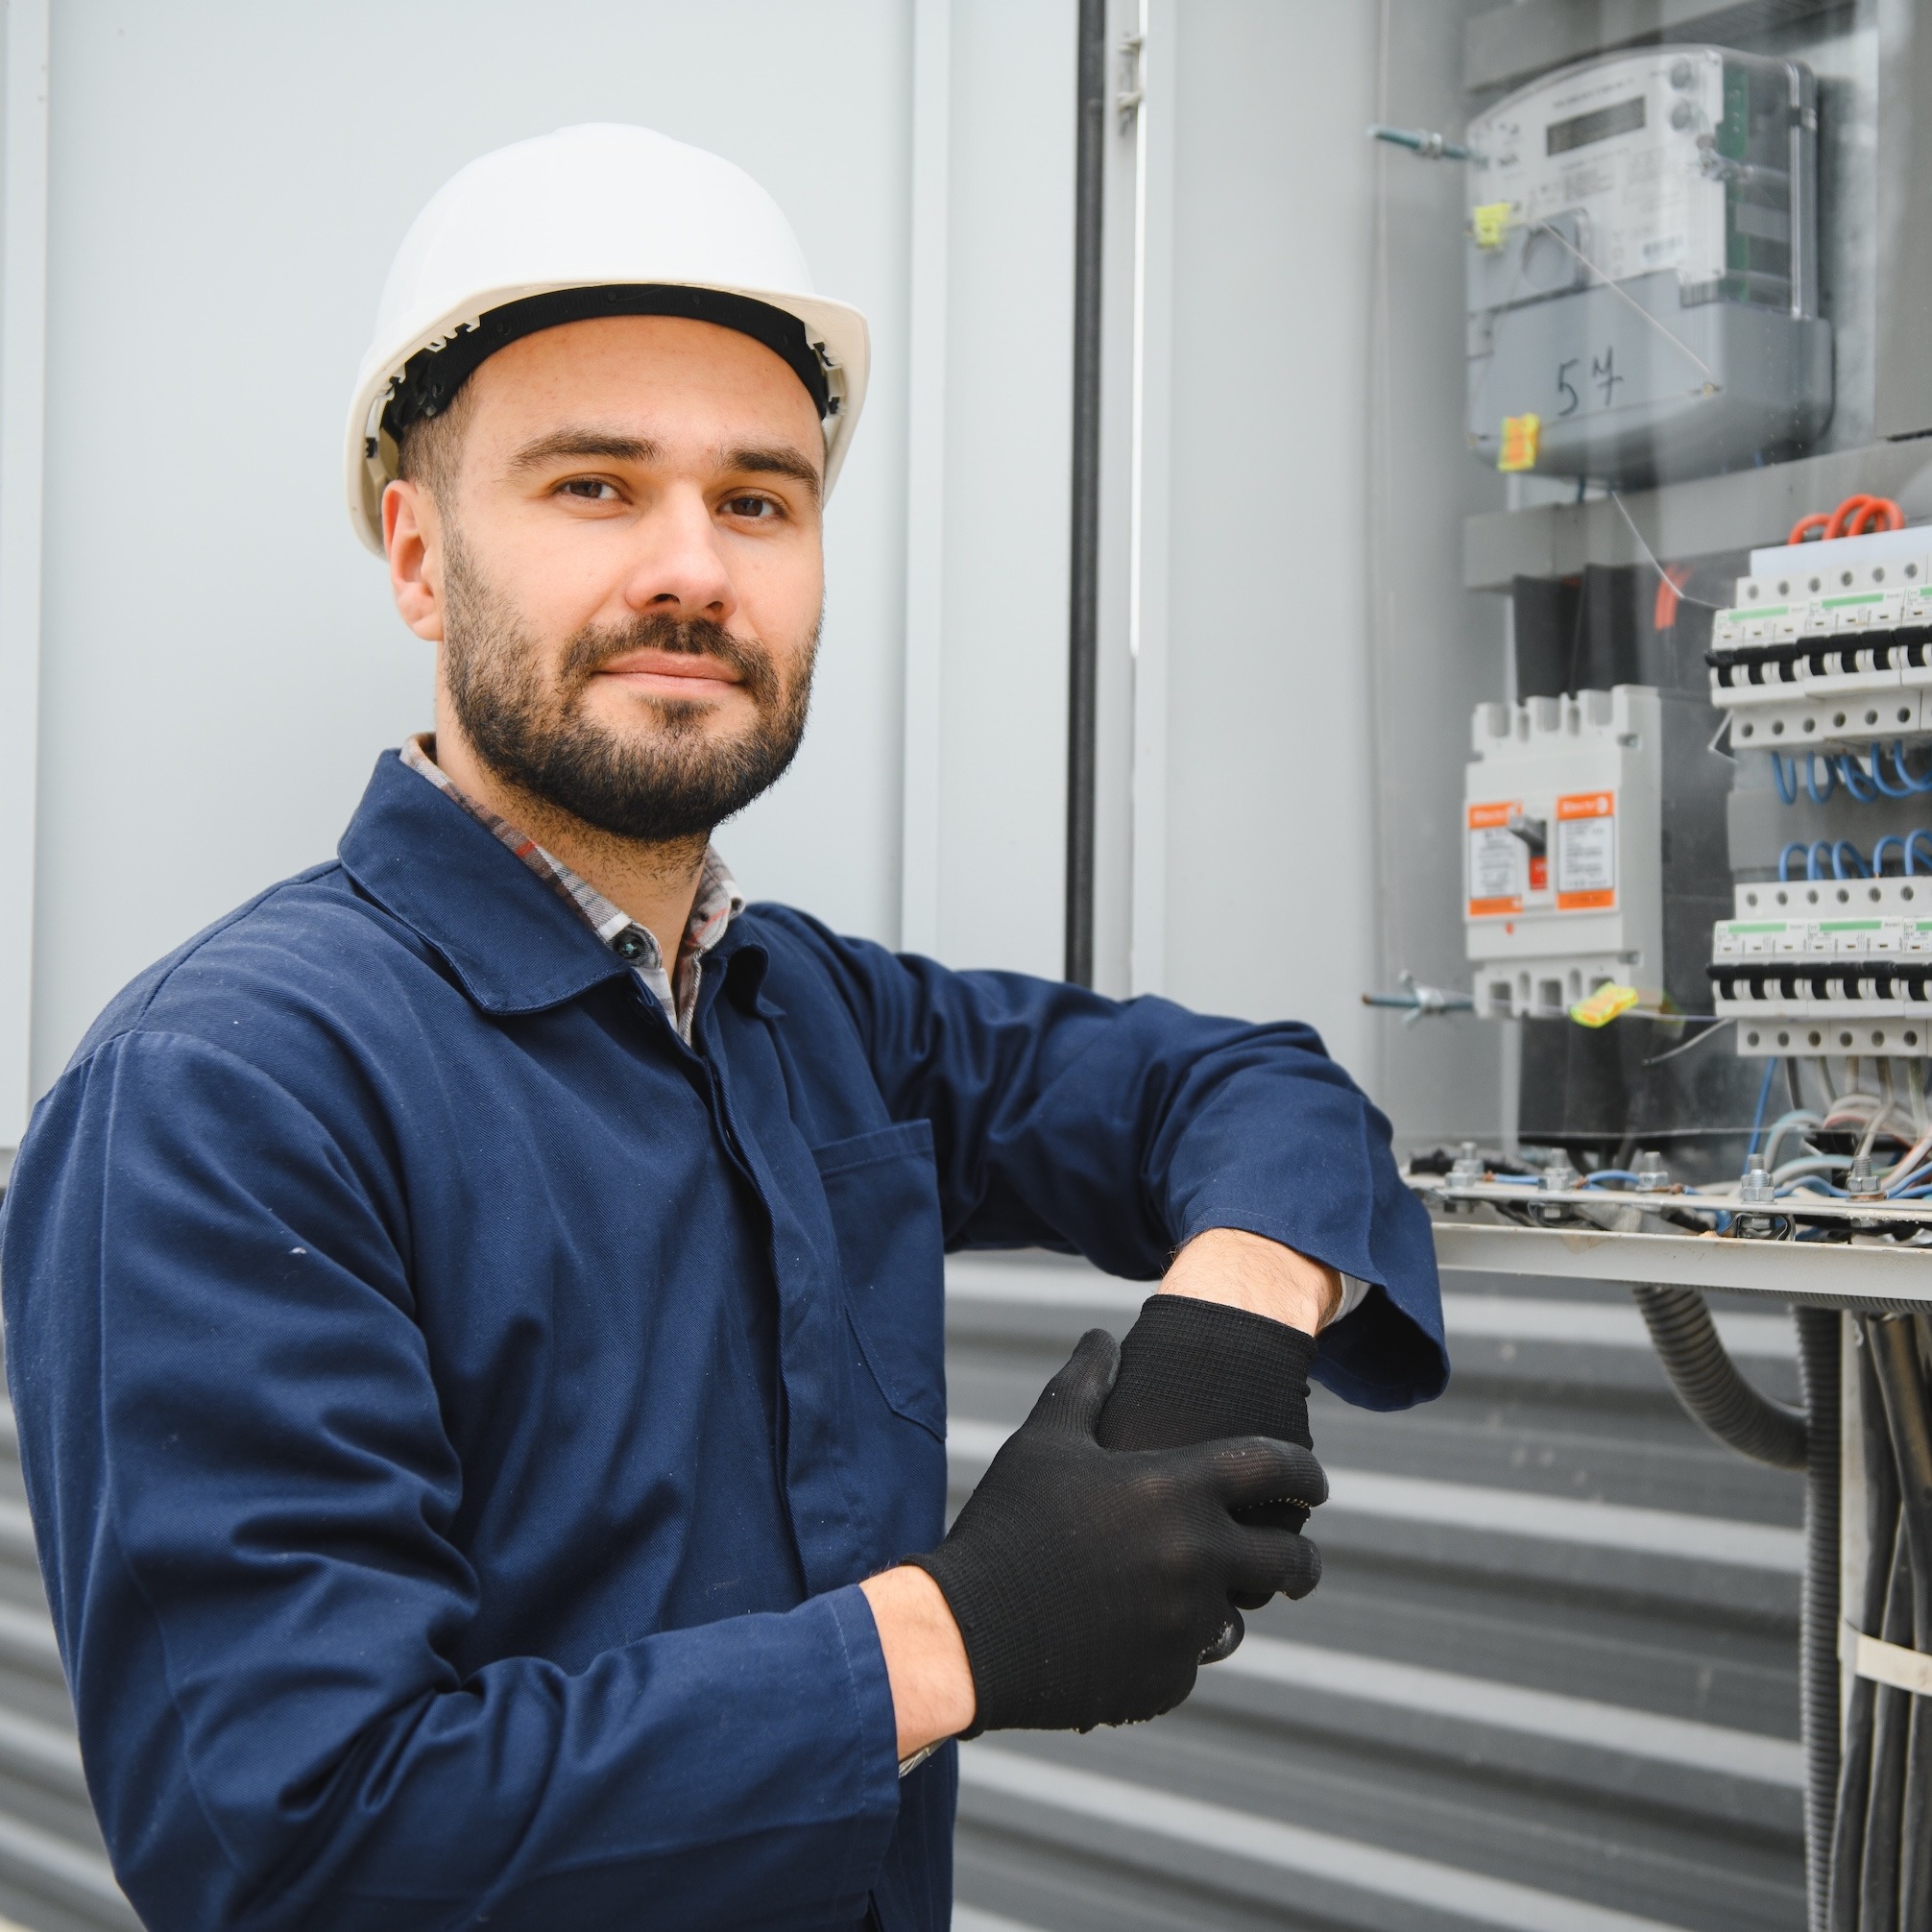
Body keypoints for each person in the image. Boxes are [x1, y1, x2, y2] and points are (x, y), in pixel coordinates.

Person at [0, 125, 1444, 1931]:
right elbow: (301, 1843)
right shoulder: (227, 1092)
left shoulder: (811, 1015)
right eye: (595, 486)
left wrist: (1226, 1335)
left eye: (759, 499)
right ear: (419, 559)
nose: (693, 568)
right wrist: (952, 1638)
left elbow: (1246, 1085)